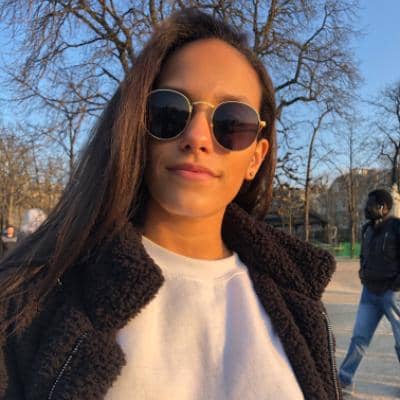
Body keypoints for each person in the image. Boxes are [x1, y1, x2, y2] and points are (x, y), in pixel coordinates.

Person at [0, 9, 339, 400]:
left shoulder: (298, 301)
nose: (197, 137)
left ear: (255, 159)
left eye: (232, 122)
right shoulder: (31, 300)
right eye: (169, 111)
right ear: (136, 127)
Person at [338, 189, 400, 393]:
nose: (366, 207)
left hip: (393, 295)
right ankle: (344, 379)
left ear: (383, 207)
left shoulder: (397, 227)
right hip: (369, 294)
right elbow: (364, 256)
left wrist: (396, 285)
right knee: (359, 338)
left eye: (370, 204)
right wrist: (362, 273)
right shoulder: (367, 229)